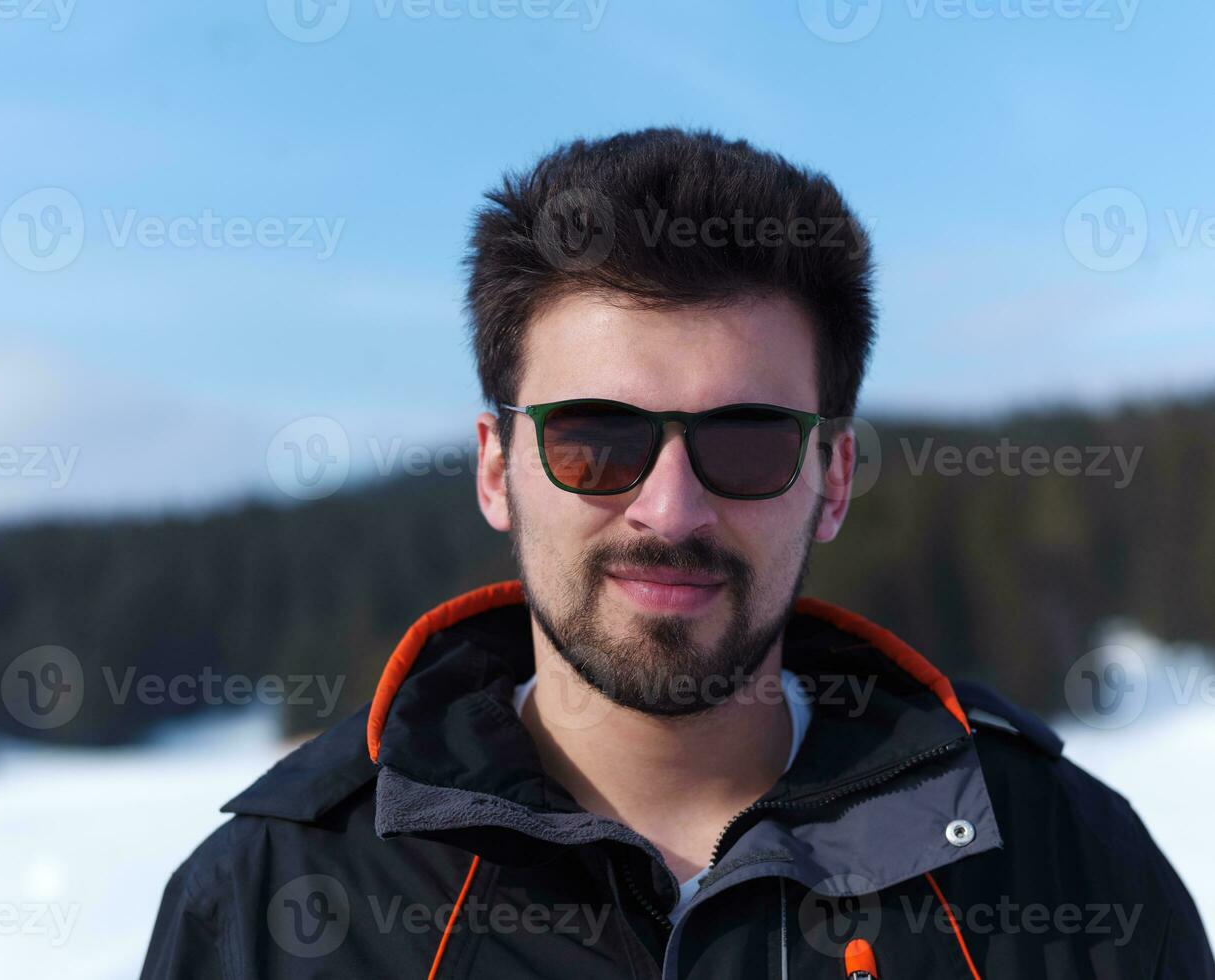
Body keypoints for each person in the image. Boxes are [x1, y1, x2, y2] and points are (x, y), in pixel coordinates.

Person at [141, 128, 1213, 978]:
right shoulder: (271, 903)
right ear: (493, 466)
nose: (670, 508)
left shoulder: (1053, 859)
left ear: (831, 477)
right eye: (595, 441)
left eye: (743, 442)